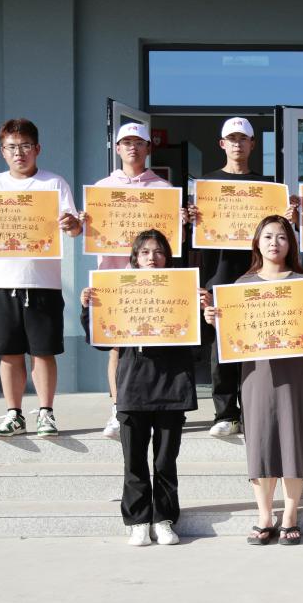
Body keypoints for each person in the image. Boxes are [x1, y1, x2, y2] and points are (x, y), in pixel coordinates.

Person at [0, 118, 81, 437]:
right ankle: (14, 414)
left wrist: (72, 223)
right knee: (9, 352)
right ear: (2, 152)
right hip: (1, 282)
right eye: (11, 147)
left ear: (37, 149)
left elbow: (75, 229)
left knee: (43, 352)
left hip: (43, 282)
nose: (19, 153)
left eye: (25, 146)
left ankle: (46, 413)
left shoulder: (54, 183)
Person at [203, 215, 303, 545]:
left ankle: (290, 514)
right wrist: (215, 321)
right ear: (257, 243)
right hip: (256, 371)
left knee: (292, 438)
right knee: (260, 439)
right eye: (268, 237)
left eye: (282, 237)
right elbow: (233, 334)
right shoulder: (241, 285)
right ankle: (264, 515)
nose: (275, 243)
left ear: (291, 244)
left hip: (294, 371)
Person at [80, 230, 199, 546]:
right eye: (145, 252)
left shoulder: (183, 291)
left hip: (172, 386)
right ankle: (138, 520)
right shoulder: (119, 291)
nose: (152, 257)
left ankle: (164, 519)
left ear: (168, 258)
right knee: (134, 461)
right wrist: (89, 309)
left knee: (165, 461)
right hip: (133, 386)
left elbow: (203, 340)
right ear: (134, 258)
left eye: (158, 252)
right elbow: (100, 342)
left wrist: (204, 310)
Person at [90, 122, 174, 441]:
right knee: (117, 346)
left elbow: (170, 241)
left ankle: (153, 406)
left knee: (154, 345)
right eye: (126, 142)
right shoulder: (101, 189)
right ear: (117, 148)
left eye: (139, 142)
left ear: (148, 148)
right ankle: (118, 408)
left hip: (153, 282)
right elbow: (88, 233)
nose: (132, 148)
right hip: (115, 279)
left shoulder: (163, 189)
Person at [193, 117, 273, 438]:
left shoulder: (267, 187)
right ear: (222, 144)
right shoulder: (206, 186)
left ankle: (254, 410)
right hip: (219, 276)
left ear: (252, 144)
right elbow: (192, 239)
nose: (237, 144)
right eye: (232, 139)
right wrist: (189, 220)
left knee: (256, 347)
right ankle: (225, 413)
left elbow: (277, 233)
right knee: (222, 350)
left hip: (258, 274)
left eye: (243, 138)